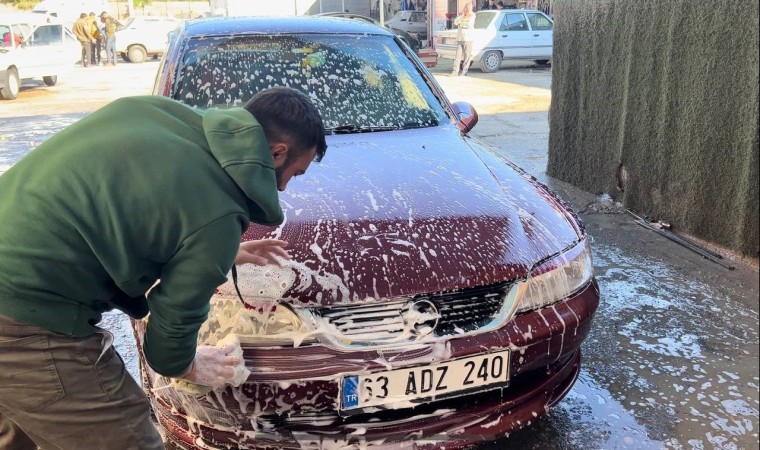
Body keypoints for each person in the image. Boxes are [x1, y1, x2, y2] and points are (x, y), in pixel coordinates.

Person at [0, 86, 327, 450]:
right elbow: (169, 339)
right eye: (294, 174)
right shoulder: (218, 211)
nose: (284, 187)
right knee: (128, 439)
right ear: (277, 153)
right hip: (23, 315)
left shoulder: (154, 112)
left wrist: (218, 251)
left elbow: (135, 209)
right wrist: (188, 365)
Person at [451, 3, 475, 76]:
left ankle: (464, 71)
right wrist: (462, 18)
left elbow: (468, 25)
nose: (465, 10)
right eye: (465, 9)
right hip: (460, 38)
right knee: (457, 56)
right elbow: (455, 22)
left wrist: (461, 23)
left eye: (467, 9)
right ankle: (455, 71)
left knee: (467, 56)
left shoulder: (472, 15)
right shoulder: (462, 16)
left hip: (468, 39)